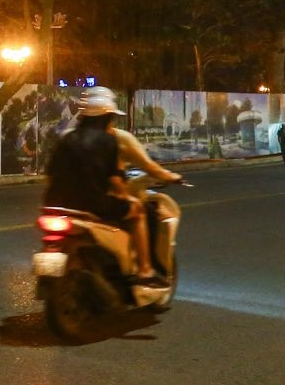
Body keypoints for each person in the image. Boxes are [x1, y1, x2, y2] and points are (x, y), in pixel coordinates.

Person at [44, 87, 182, 284]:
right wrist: (126, 197)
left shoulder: (65, 137)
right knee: (139, 212)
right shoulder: (109, 141)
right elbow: (116, 180)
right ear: (106, 117)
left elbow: (50, 174)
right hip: (93, 206)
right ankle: (144, 270)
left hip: (55, 204)